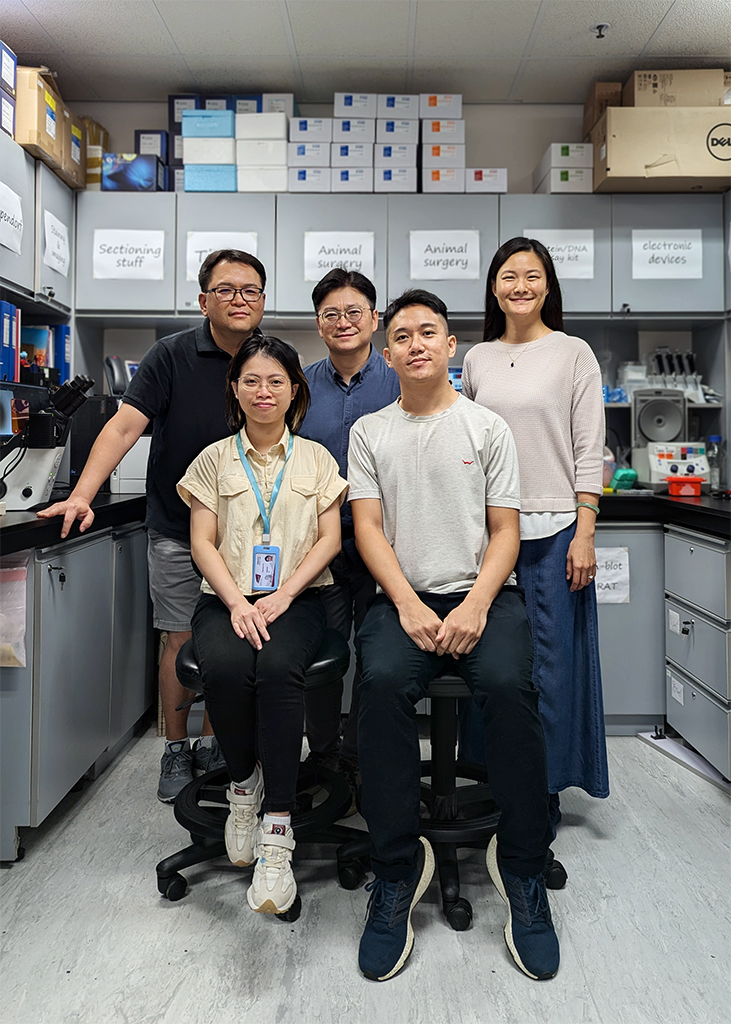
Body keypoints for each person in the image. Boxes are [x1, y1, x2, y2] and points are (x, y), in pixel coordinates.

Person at [348, 289, 559, 983]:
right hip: (401, 600)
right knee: (376, 687)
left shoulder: (486, 428)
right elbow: (368, 528)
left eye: (427, 332)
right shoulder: (370, 432)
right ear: (388, 354)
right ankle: (394, 871)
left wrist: (474, 604)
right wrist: (406, 603)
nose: (414, 344)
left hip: (482, 596)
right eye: (402, 335)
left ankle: (522, 869)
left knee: (507, 685)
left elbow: (505, 533)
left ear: (449, 348)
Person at [38, 249, 268, 802]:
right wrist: (83, 495)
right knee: (180, 638)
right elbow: (122, 429)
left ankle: (217, 745)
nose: (240, 299)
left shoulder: (267, 358)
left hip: (248, 534)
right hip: (176, 527)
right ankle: (176, 747)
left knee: (235, 643)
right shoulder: (171, 354)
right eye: (227, 289)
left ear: (263, 301)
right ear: (203, 299)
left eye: (251, 291)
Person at [177, 335, 347, 914]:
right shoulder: (213, 458)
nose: (263, 391)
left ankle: (277, 829)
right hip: (225, 597)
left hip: (298, 599)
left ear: (295, 389)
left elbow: (331, 539)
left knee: (277, 668)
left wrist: (283, 594)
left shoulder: (317, 458)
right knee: (223, 666)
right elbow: (202, 541)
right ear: (235, 389)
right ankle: (243, 787)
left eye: (276, 380)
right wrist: (238, 603)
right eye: (251, 380)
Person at [458, 236, 609, 838]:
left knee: (549, 669)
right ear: (494, 287)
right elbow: (460, 442)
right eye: (508, 276)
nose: (520, 285)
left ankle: (541, 792)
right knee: (489, 668)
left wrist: (585, 531)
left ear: (548, 286)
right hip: (488, 534)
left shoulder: (574, 354)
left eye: (532, 275)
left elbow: (588, 448)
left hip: (555, 531)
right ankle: (492, 781)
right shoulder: (477, 359)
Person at [298, 269, 400, 800]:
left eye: (354, 311)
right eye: (331, 314)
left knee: (376, 651)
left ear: (374, 319)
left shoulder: (401, 380)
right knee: (324, 649)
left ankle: (361, 753)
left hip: (387, 543)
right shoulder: (297, 385)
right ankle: (324, 757)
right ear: (318, 323)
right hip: (318, 546)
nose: (343, 322)